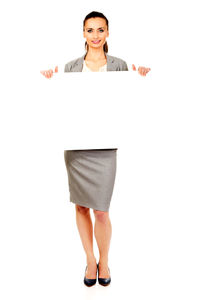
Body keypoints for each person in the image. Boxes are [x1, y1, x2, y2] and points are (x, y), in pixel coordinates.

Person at [40, 11, 151, 287]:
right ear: (83, 33)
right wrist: (51, 79)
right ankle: (90, 260)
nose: (95, 36)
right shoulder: (70, 67)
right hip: (77, 145)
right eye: (90, 30)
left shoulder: (119, 65)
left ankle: (105, 259)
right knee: (80, 207)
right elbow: (61, 104)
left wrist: (139, 77)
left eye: (100, 30)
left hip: (105, 145)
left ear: (108, 33)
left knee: (101, 209)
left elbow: (129, 102)